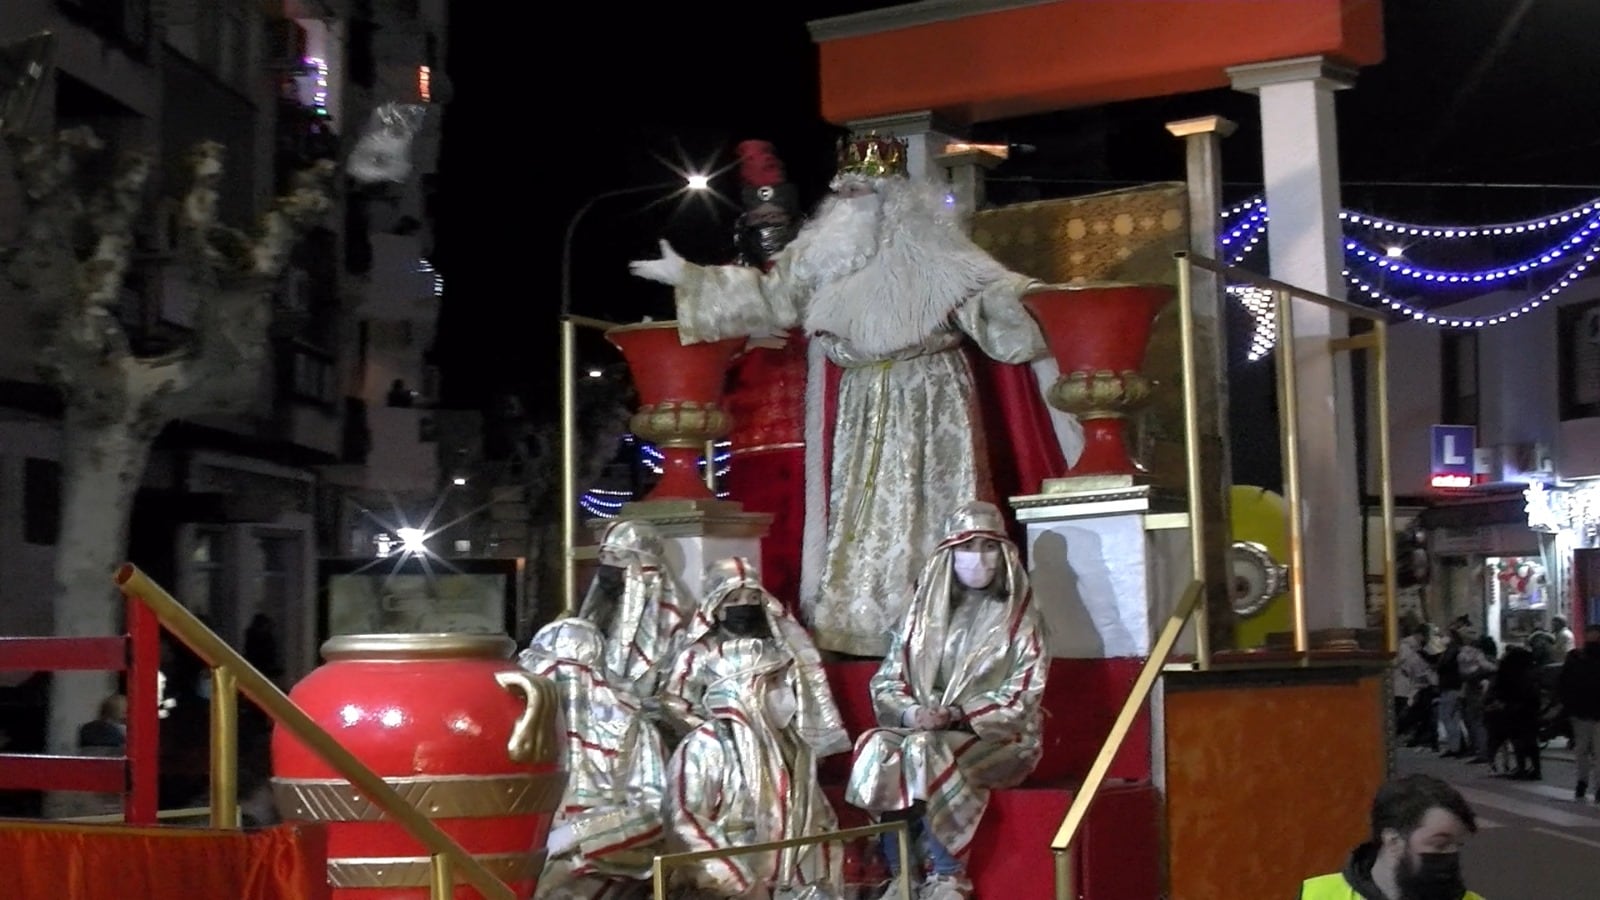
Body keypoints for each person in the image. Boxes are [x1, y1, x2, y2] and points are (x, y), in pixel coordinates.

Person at [631, 134, 1070, 657]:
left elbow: (992, 295)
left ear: (896, 198)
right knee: (861, 513)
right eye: (846, 191)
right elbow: (770, 298)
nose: (852, 201)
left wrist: (1034, 300)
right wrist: (688, 277)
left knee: (928, 503)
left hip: (927, 394)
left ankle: (943, 622)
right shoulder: (821, 255)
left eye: (866, 190)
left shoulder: (937, 248)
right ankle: (860, 625)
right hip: (859, 400)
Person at [844, 501, 1047, 900]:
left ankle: (947, 873)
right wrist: (912, 710)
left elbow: (1024, 691)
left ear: (1004, 553)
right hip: (926, 727)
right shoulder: (920, 618)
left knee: (922, 749)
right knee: (877, 745)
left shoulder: (1021, 618)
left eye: (988, 547)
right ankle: (900, 873)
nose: (978, 558)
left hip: (1002, 737)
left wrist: (958, 713)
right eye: (968, 548)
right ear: (949, 554)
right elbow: (888, 680)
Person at [660, 558, 847, 898]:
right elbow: (676, 698)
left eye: (751, 599)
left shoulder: (795, 746)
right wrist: (718, 730)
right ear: (716, 607)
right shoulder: (705, 744)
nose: (743, 607)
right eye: (733, 600)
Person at [720, 139, 809, 614]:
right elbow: (700, 356)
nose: (768, 230)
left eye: (776, 222)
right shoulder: (725, 284)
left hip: (818, 438)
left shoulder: (822, 276)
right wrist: (744, 343)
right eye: (759, 222)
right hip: (752, 442)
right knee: (762, 556)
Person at [518, 617, 667, 898]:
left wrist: (576, 835)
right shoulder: (515, 724)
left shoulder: (631, 726)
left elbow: (653, 810)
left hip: (607, 858)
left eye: (576, 675)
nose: (569, 689)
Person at [1299, 773, 1482, 900]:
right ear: (1393, 841)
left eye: (1458, 845)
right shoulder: (1315, 895)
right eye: (1440, 844)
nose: (1452, 856)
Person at [578, 518, 689, 705]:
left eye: (617, 558)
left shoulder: (671, 625)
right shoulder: (600, 612)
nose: (607, 567)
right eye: (603, 558)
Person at [1559, 622, 1600, 801]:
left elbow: (1564, 684)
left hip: (1581, 711)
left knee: (1583, 750)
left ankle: (1584, 784)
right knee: (1592, 751)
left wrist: (1568, 705)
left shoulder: (1575, 657)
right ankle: (1592, 786)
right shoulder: (1575, 657)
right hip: (1587, 711)